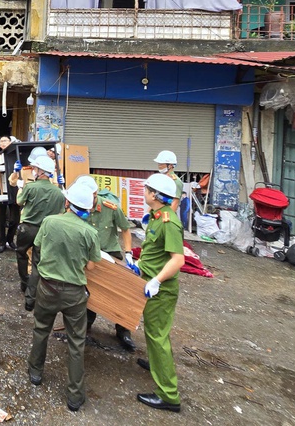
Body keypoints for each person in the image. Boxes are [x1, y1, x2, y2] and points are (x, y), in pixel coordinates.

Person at [26, 177, 101, 412]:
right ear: (88, 208)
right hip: (74, 294)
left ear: (67, 202)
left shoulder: (49, 222)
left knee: (41, 330)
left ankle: (35, 373)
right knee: (76, 342)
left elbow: (38, 247)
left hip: (47, 288)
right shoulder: (90, 232)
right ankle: (74, 397)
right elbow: (91, 267)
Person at [134, 172, 185, 413]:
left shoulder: (169, 222)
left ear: (154, 195)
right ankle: (156, 364)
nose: (144, 191)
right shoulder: (156, 217)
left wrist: (155, 280)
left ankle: (169, 395)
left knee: (157, 337)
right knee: (154, 334)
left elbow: (178, 260)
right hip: (150, 283)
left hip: (160, 289)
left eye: (146, 189)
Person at [78, 176, 138, 352]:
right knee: (88, 291)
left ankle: (123, 329)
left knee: (120, 292)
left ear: (95, 194)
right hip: (89, 254)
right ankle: (86, 324)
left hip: (110, 253)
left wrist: (128, 254)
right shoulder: (79, 206)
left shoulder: (110, 208)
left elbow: (125, 229)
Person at [17, 155, 66, 300]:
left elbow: (19, 202)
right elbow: (61, 212)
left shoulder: (30, 187)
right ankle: (32, 292)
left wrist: (20, 188)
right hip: (46, 231)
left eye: (35, 168)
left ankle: (24, 282)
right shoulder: (59, 192)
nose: (33, 170)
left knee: (21, 254)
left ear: (41, 171)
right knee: (38, 262)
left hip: (27, 229)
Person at [0, 136, 19, 253]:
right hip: (2, 187)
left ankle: (10, 239)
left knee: (15, 218)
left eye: (5, 141)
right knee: (1, 218)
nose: (3, 143)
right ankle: (2, 243)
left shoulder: (17, 155)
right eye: (1, 141)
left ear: (10, 142)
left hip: (15, 188)